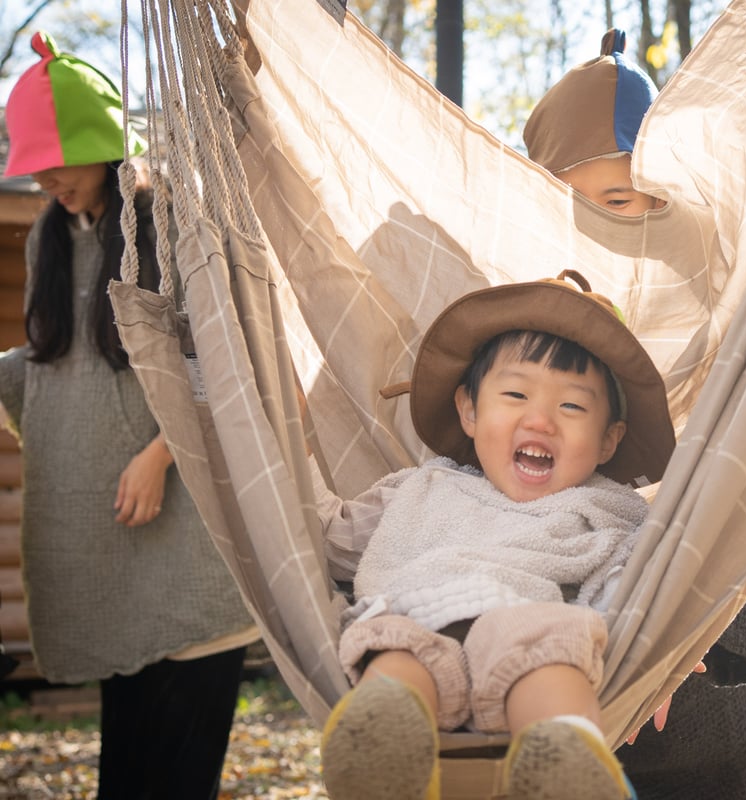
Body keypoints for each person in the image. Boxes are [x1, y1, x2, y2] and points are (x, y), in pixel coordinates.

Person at [523, 30, 746, 800]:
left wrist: (691, 637)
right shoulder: (528, 307)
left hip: (721, 654)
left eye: (636, 199)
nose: (621, 220)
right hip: (585, 664)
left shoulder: (717, 290)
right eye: (597, 201)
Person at [0, 32, 258, 800]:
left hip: (187, 549)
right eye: (34, 162)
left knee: (179, 780)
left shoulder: (170, 222)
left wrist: (159, 454)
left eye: (60, 157)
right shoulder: (54, 237)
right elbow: (57, 367)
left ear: (106, 145)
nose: (46, 177)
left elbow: (225, 360)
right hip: (111, 564)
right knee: (128, 783)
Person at [315, 271, 676, 800]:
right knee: (393, 660)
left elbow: (630, 588)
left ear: (608, 440)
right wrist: (289, 440)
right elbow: (330, 538)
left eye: (572, 406)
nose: (541, 419)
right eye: (514, 394)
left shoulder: (602, 511)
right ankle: (382, 755)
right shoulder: (421, 487)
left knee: (553, 661)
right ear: (469, 410)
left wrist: (659, 657)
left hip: (528, 627)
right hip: (413, 618)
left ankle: (567, 759)